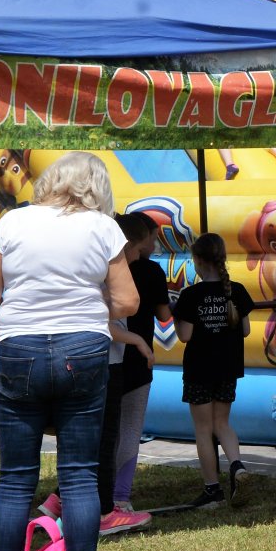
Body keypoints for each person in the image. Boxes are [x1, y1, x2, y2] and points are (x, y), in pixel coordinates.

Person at [0, 150, 136, 551]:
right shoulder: (103, 228)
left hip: (18, 348)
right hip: (82, 348)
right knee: (80, 476)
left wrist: (25, 305)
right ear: (97, 188)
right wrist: (86, 305)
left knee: (15, 479)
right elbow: (127, 301)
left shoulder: (13, 222)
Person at [173, 233, 254, 510]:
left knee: (204, 429)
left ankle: (212, 490)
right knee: (222, 424)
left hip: (199, 369)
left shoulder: (190, 295)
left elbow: (185, 336)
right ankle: (237, 465)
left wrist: (177, 317)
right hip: (228, 367)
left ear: (197, 260)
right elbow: (246, 330)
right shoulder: (237, 290)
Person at [109, 213, 170, 519]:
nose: (154, 244)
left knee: (106, 431)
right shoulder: (151, 271)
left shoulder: (105, 269)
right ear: (138, 240)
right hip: (136, 356)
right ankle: (120, 497)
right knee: (130, 429)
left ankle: (71, 495)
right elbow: (164, 315)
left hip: (108, 356)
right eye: (153, 238)